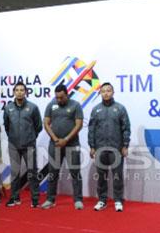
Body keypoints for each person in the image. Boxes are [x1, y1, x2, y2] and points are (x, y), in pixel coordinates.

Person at [88, 82, 131, 212]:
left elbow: (126, 128)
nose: (106, 93)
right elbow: (91, 129)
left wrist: (125, 145)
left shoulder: (120, 109)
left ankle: (118, 200)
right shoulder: (96, 109)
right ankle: (102, 200)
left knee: (117, 175)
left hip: (116, 148)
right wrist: (92, 146)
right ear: (100, 93)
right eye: (103, 91)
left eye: (108, 90)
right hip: (100, 148)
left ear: (113, 92)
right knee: (101, 176)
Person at [41, 84, 84, 210]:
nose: (59, 100)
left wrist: (65, 139)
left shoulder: (75, 105)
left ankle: (78, 200)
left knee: (75, 172)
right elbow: (46, 123)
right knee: (53, 172)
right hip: (55, 144)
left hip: (72, 144)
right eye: (57, 98)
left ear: (67, 94)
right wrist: (55, 139)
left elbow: (79, 125)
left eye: (61, 98)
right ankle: (50, 199)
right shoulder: (51, 105)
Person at [3, 82, 42, 207]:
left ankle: (35, 199)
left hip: (29, 145)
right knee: (15, 172)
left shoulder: (33, 107)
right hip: (13, 145)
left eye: (22, 90)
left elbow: (38, 126)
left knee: (32, 172)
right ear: (14, 92)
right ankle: (15, 198)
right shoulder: (8, 108)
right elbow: (7, 126)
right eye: (17, 90)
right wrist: (13, 138)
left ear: (26, 92)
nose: (19, 92)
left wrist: (31, 137)